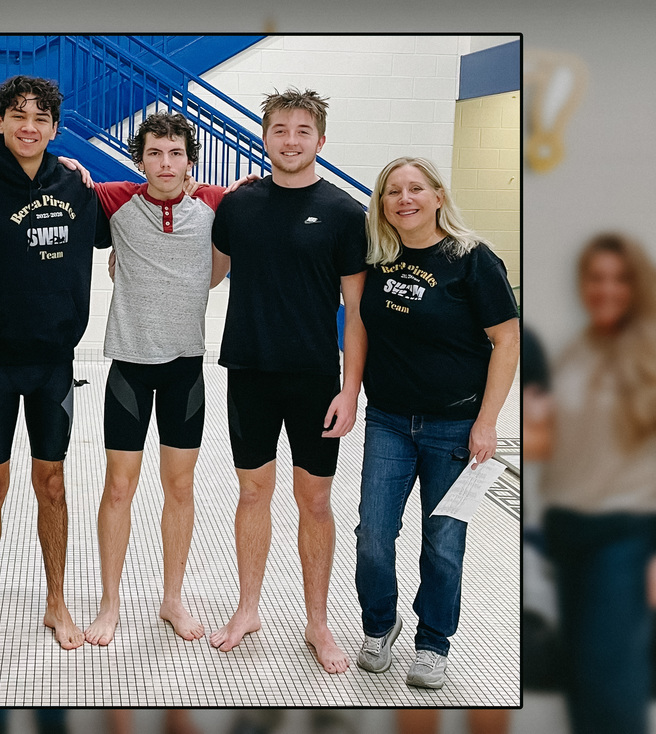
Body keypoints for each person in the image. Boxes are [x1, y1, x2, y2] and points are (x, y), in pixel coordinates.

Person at [0, 75, 110, 657]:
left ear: (56, 128)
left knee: (53, 483)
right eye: (18, 115)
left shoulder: (76, 186)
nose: (29, 127)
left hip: (53, 363)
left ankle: (57, 601)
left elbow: (149, 195)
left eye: (41, 117)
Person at [207, 88, 367, 675]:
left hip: (314, 379)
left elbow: (357, 312)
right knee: (253, 494)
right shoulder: (238, 205)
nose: (290, 140)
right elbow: (209, 274)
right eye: (280, 129)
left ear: (320, 140)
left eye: (302, 131)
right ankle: (248, 609)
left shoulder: (345, 213)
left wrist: (350, 389)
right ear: (264, 136)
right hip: (249, 371)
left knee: (315, 500)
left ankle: (317, 622)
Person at [354, 156, 520, 689]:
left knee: (443, 543)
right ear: (382, 204)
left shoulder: (472, 259)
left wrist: (487, 422)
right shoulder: (378, 258)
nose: (404, 199)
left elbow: (507, 339)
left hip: (454, 425)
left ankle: (432, 644)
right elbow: (360, 327)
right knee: (373, 535)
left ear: (438, 196)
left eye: (415, 189)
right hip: (388, 420)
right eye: (392, 191)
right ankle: (380, 625)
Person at [84, 112, 228, 646]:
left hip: (185, 369)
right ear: (139, 160)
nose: (165, 163)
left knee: (180, 487)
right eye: (154, 153)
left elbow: (264, 199)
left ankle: (172, 598)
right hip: (128, 365)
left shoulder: (216, 203)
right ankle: (110, 602)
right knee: (118, 487)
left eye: (175, 153)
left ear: (189, 159)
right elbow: (54, 177)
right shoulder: (116, 199)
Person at [539, 233, 656, 734]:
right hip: (570, 533)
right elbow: (568, 442)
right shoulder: (579, 349)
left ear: (638, 285)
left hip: (624, 537)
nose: (606, 289)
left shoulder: (650, 350)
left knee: (613, 684)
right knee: (584, 683)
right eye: (596, 278)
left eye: (619, 279)